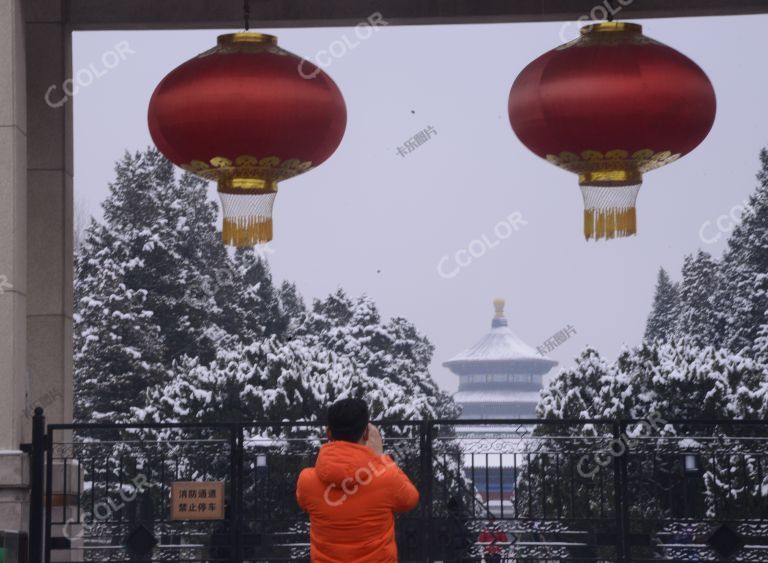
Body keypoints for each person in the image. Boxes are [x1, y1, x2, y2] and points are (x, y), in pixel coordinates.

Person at [296, 398, 420, 562]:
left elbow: (303, 503)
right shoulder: (387, 477)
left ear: (328, 432)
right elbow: (411, 500)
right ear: (366, 433)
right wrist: (381, 459)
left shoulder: (306, 482)